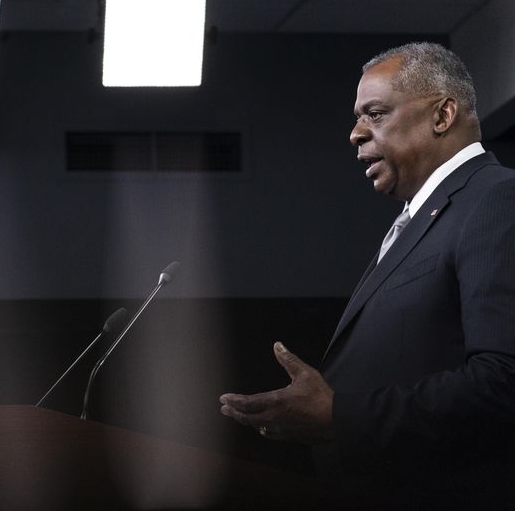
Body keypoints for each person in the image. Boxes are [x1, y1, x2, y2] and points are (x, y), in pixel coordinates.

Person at [219, 42, 515, 508]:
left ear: (443, 116)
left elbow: (504, 379)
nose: (355, 134)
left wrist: (340, 414)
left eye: (374, 114)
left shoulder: (496, 200)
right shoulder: (425, 215)